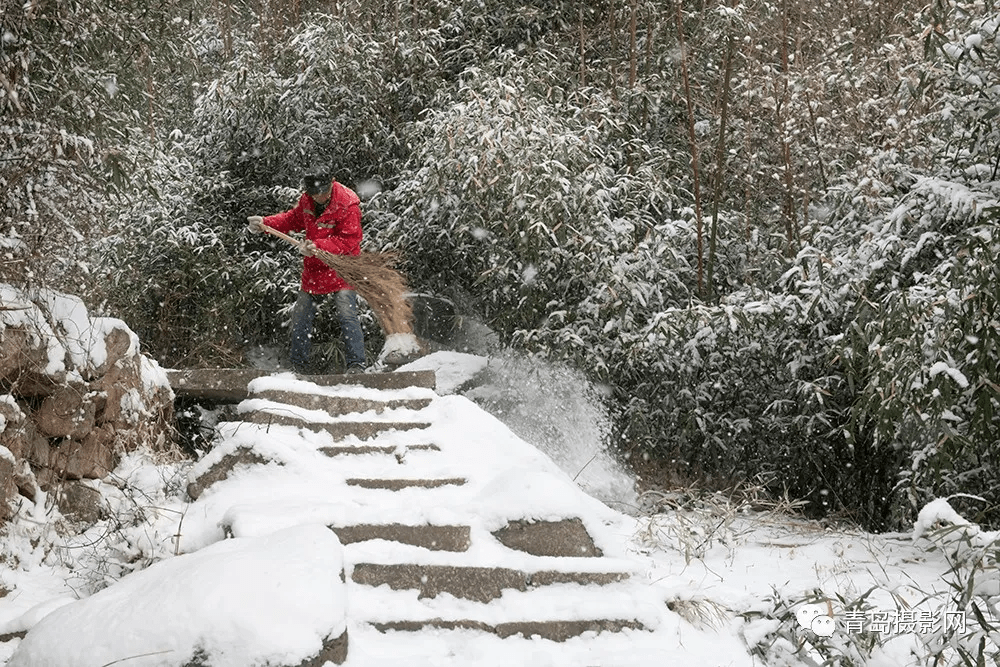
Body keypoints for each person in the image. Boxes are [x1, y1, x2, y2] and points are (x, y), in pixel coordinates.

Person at [247, 169, 366, 375]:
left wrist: (317, 245)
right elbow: (292, 219)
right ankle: (297, 367)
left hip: (342, 268)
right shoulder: (307, 201)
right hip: (315, 270)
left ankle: (357, 365)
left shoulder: (347, 204)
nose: (319, 196)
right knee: (301, 316)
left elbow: (349, 240)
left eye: (323, 192)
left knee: (347, 315)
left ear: (332, 183)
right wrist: (265, 223)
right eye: (314, 193)